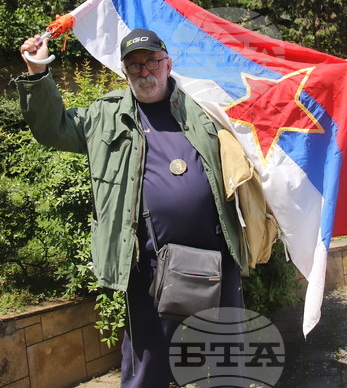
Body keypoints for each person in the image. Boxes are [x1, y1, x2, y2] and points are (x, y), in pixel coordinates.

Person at [14, 27, 245, 387]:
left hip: (215, 259)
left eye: (152, 61)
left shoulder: (203, 107)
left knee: (224, 360)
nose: (144, 71)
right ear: (124, 71)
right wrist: (37, 70)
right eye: (134, 65)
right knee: (147, 364)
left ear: (168, 64)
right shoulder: (104, 116)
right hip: (148, 266)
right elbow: (52, 128)